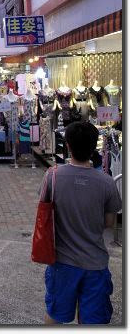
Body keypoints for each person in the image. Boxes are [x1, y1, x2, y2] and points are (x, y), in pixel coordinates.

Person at [40, 122, 122, 325]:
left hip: (61, 262)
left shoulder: (53, 175)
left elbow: (43, 211)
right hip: (95, 263)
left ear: (67, 145)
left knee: (55, 314)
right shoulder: (107, 182)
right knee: (92, 320)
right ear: (95, 146)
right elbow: (109, 223)